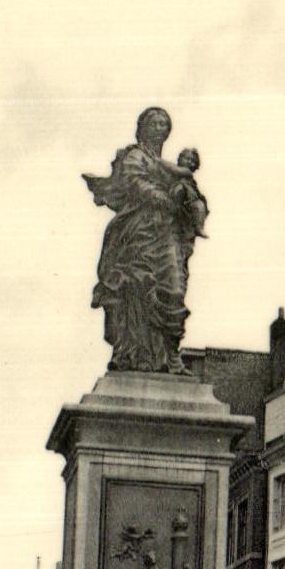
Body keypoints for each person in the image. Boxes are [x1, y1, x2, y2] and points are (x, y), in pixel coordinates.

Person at [83, 108, 208, 375]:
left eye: (165, 123)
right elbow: (134, 182)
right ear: (142, 128)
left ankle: (169, 357)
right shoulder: (134, 156)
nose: (160, 127)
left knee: (173, 290)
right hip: (138, 235)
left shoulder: (170, 167)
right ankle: (131, 354)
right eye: (155, 123)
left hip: (166, 236)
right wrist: (163, 198)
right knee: (136, 292)